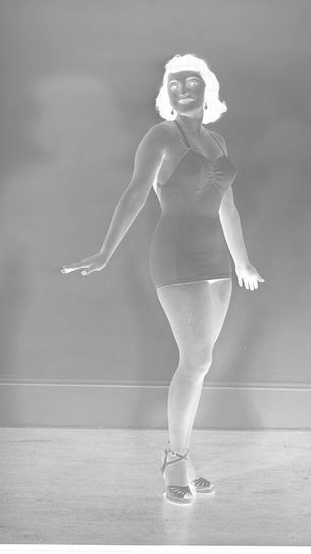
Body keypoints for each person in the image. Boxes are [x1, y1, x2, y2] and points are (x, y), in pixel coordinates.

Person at [61, 53, 264, 506]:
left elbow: (228, 208)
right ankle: (176, 460)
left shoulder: (216, 139)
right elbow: (135, 193)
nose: (182, 90)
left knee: (202, 365)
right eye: (174, 84)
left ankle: (181, 457)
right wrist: (105, 252)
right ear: (166, 93)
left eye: (191, 82)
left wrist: (243, 262)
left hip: (217, 262)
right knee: (195, 361)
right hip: (176, 256)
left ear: (208, 88)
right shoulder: (161, 136)